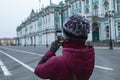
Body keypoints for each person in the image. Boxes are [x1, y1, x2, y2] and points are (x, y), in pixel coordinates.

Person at [34, 13, 95, 80]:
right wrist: (67, 45)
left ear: (65, 36)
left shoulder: (56, 62)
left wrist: (51, 50)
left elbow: (38, 70)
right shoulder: (90, 55)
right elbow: (75, 52)